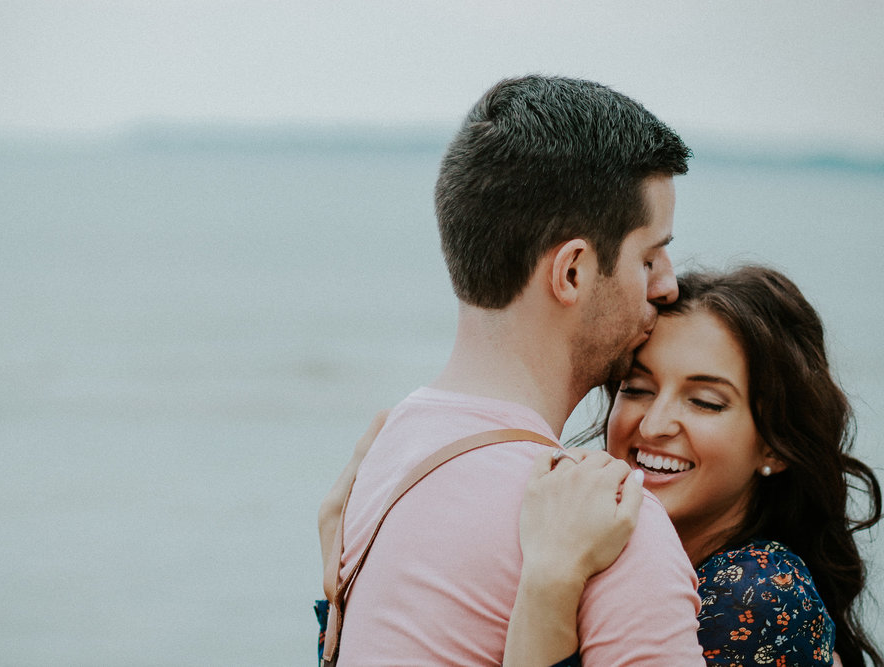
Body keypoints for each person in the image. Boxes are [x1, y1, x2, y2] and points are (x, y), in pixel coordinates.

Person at [319, 74, 706, 665]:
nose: (667, 285)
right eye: (649, 257)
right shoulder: (610, 532)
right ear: (572, 271)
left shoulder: (374, 469)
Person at [508, 266, 883, 666]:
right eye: (636, 389)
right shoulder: (588, 543)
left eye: (705, 401)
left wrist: (550, 582)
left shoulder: (756, 593)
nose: (653, 425)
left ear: (775, 447)